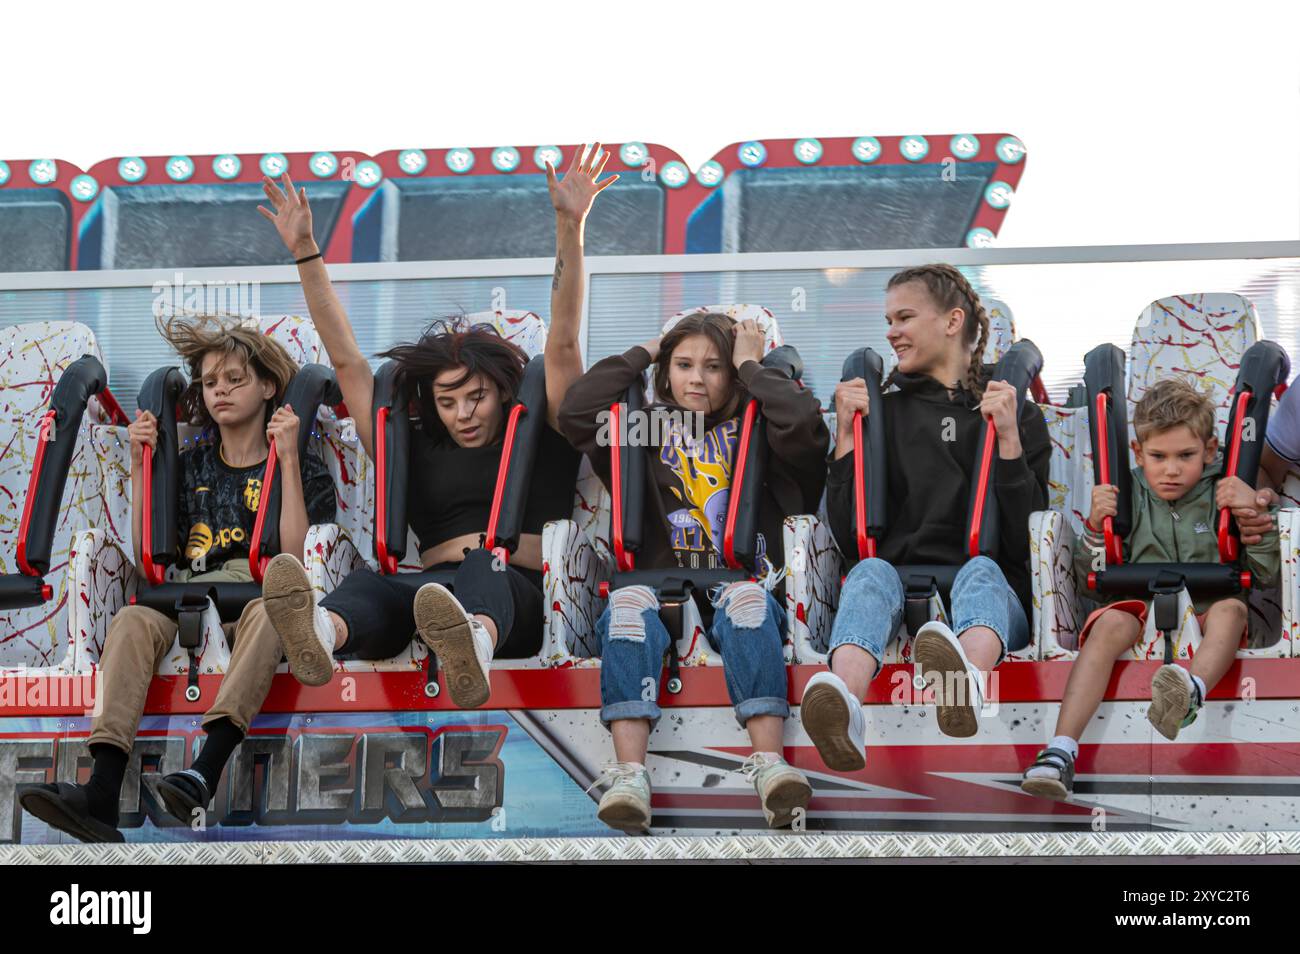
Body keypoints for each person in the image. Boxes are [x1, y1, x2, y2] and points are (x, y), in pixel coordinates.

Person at [254, 145, 614, 704]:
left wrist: (571, 225)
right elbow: (347, 360)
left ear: (503, 392)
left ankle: (475, 645)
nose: (463, 413)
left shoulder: (544, 436)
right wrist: (305, 250)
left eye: (476, 397)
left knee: (481, 573)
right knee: (371, 586)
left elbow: (563, 341)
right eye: (448, 402)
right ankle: (322, 632)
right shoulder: (414, 448)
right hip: (429, 593)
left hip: (514, 592)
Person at [20, 315, 336, 842]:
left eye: (235, 379)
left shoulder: (299, 462)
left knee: (273, 609)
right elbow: (150, 560)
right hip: (187, 596)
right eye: (211, 383)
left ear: (266, 387)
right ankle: (100, 790)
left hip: (256, 598)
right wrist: (140, 465)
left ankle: (203, 770)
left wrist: (286, 458)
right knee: (130, 621)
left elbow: (297, 559)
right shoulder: (190, 465)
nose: (221, 392)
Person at [558, 312, 829, 831]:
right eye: (683, 365)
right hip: (656, 588)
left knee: (748, 607)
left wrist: (753, 364)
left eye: (714, 366)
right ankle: (630, 776)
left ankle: (770, 766)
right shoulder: (644, 429)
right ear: (665, 371)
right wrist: (649, 347)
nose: (697, 379)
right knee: (627, 611)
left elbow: (803, 424)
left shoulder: (761, 429)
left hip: (739, 584)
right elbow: (577, 408)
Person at [806, 263, 1052, 771]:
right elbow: (851, 537)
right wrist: (848, 441)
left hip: (993, 588)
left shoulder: (1016, 413)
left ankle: (966, 682)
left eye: (904, 317)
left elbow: (1024, 535)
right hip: (898, 578)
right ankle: (844, 705)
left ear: (952, 321)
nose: (891, 331)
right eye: (888, 320)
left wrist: (1008, 440)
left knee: (980, 573)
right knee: (869, 573)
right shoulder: (887, 414)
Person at [1021, 378, 1278, 799]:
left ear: (1210, 451)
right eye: (1158, 457)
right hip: (1136, 599)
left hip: (1209, 601)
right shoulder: (1130, 494)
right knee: (1107, 627)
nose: (1172, 469)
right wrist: (1094, 530)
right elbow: (1089, 578)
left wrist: (1253, 516)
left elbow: (1265, 574)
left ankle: (1189, 692)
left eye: (1186, 456)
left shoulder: (1224, 491)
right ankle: (1060, 749)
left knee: (1232, 612)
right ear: (1138, 454)